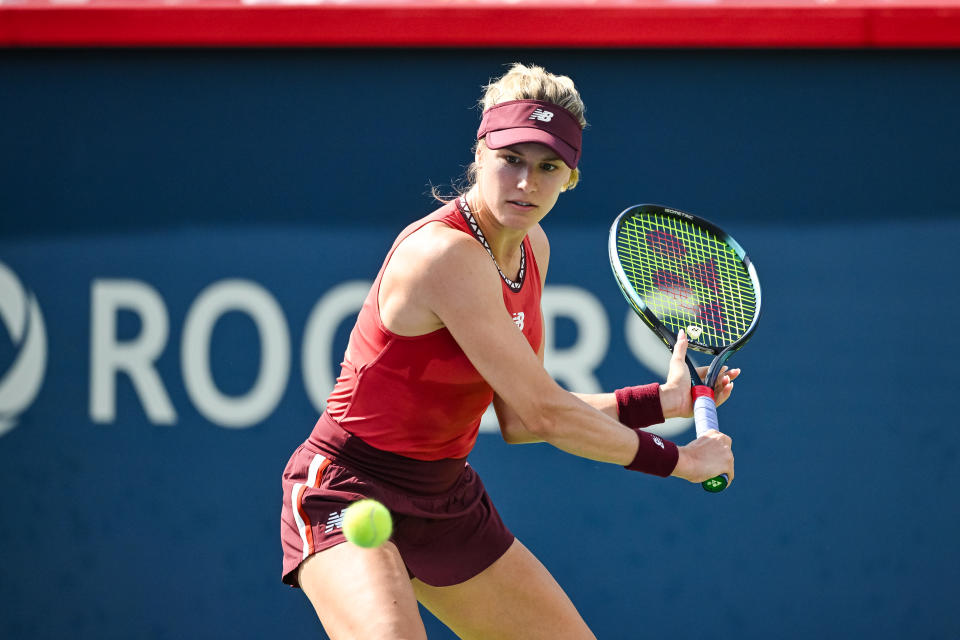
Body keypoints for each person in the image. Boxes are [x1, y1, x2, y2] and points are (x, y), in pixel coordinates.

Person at [280, 62, 738, 639]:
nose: (527, 182)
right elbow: (546, 412)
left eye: (548, 167)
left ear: (570, 177)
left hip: (445, 499)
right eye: (511, 160)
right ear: (480, 153)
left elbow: (522, 417)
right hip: (347, 490)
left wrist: (660, 400)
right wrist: (678, 461)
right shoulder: (445, 256)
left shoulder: (532, 249)